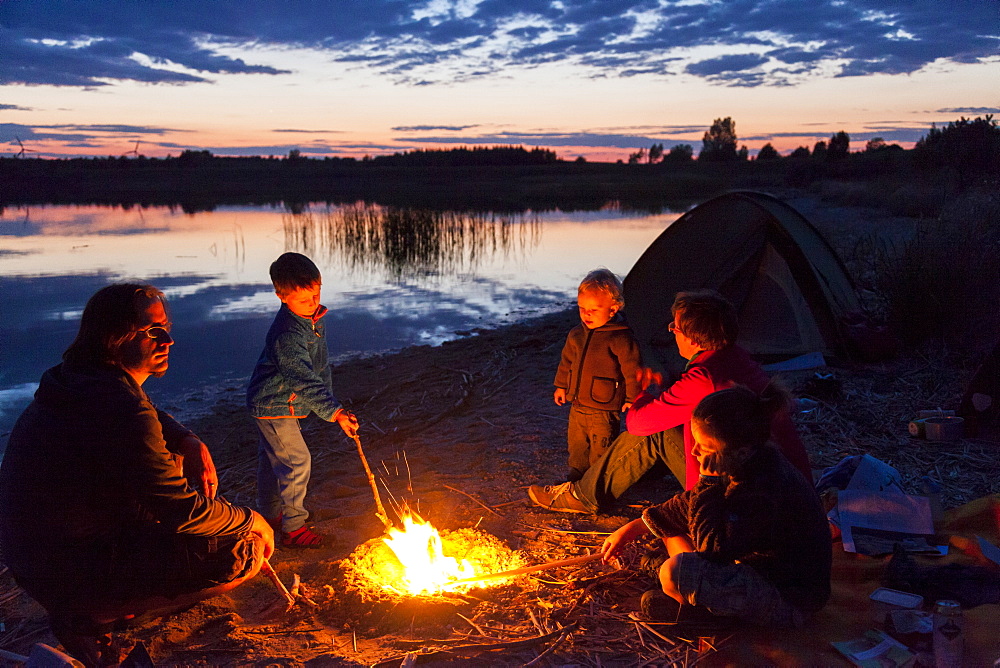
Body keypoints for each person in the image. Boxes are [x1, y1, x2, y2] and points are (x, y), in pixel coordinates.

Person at [0, 284, 274, 667]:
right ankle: (93, 615)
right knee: (243, 551)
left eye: (167, 329)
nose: (169, 341)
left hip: (36, 563)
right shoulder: (121, 408)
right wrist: (251, 519)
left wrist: (187, 438)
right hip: (67, 572)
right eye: (154, 331)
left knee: (173, 465)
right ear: (116, 337)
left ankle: (99, 602)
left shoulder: (76, 378)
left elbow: (142, 413)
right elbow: (183, 511)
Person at [529, 289, 811, 513]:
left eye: (674, 328)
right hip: (788, 484)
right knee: (664, 422)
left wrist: (639, 393)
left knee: (649, 433)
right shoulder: (735, 357)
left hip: (743, 496)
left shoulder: (703, 378)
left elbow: (638, 424)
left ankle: (583, 496)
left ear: (691, 337)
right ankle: (626, 478)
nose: (671, 332)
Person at [600, 386, 832, 628]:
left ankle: (702, 616)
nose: (694, 451)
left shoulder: (764, 488)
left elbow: (710, 551)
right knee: (674, 539)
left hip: (787, 600)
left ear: (741, 451)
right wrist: (636, 527)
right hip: (758, 568)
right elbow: (687, 504)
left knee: (677, 571)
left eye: (705, 447)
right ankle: (688, 600)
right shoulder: (746, 461)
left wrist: (707, 482)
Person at [247, 252, 359, 549]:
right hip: (273, 405)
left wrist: (331, 404)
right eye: (303, 300)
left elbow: (316, 367)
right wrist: (334, 412)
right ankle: (294, 528)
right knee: (297, 462)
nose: (312, 303)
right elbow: (302, 377)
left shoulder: (308, 318)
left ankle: (269, 517)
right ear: (282, 297)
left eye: (315, 294)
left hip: (281, 403)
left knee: (274, 463)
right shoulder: (287, 333)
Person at [553, 268, 641, 481]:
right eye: (582, 308)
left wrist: (632, 398)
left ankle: (598, 479)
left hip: (605, 405)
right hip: (578, 403)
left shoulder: (620, 337)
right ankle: (577, 472)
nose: (586, 314)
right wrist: (561, 386)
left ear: (613, 309)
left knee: (602, 444)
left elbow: (632, 370)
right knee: (577, 442)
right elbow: (566, 362)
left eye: (594, 309)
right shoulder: (576, 334)